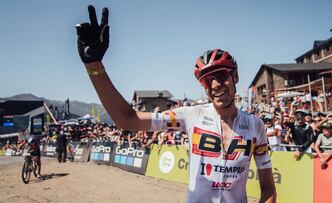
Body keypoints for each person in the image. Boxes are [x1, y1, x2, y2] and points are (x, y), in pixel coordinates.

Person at [75, 5, 276, 203]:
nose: (215, 85)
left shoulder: (255, 125)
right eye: (208, 80)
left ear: (236, 76)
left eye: (222, 75)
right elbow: (127, 120)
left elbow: (268, 189)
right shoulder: (190, 116)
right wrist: (94, 65)